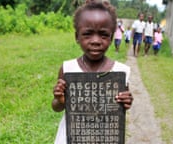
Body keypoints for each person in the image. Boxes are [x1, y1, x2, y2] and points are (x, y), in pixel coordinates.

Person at [52, 1, 133, 144]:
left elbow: (121, 107)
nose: (95, 41)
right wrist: (59, 100)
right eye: (88, 34)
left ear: (111, 38)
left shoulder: (120, 72)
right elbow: (56, 107)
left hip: (105, 137)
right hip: (71, 136)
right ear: (77, 36)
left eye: (103, 35)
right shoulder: (67, 69)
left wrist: (126, 101)